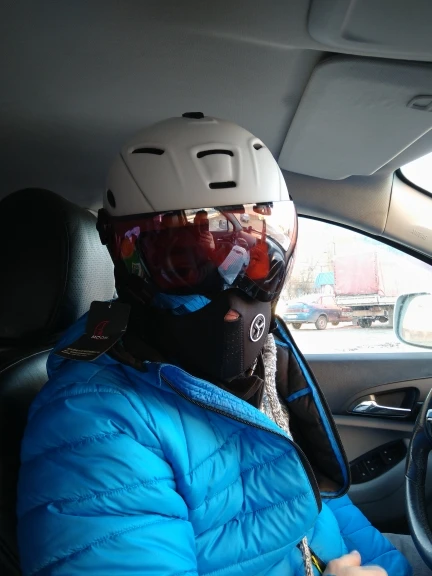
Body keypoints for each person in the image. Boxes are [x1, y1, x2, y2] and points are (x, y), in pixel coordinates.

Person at [17, 114, 425, 576]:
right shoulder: (92, 424)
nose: (232, 298)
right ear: (127, 262)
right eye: (185, 263)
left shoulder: (264, 365)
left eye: (252, 256)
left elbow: (319, 503)